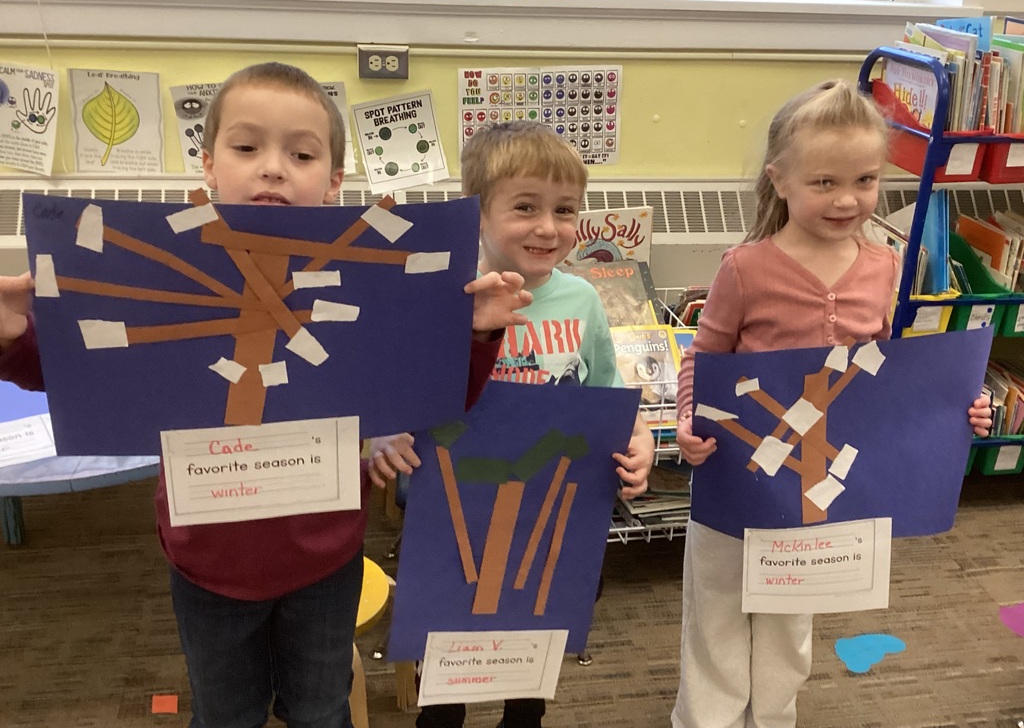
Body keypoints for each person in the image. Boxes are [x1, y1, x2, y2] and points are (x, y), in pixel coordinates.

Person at [0, 62, 534, 728]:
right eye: (247, 147)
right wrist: (14, 336)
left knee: (320, 707)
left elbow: (430, 393)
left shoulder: (364, 286)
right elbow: (88, 371)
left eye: (302, 154)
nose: (273, 168)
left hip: (324, 553)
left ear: (335, 181)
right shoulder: (162, 268)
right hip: (207, 556)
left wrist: (477, 338)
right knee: (227, 712)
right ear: (209, 165)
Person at [671, 78, 993, 728]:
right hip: (740, 463)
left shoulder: (882, 265)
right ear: (780, 181)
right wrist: (687, 418)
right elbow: (703, 356)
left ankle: (773, 716)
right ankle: (707, 719)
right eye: (824, 183)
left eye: (866, 181)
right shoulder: (745, 267)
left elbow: (885, 370)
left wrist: (957, 409)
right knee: (718, 604)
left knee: (791, 608)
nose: (848, 200)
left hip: (817, 480)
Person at [369, 121, 655, 728]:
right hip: (452, 511)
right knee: (445, 677)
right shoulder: (445, 294)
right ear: (478, 211)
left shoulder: (581, 301)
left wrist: (638, 443)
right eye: (525, 207)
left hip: (553, 514)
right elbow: (402, 391)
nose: (548, 228)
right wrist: (384, 432)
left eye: (564, 210)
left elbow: (606, 396)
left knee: (532, 669)